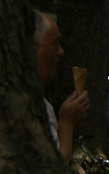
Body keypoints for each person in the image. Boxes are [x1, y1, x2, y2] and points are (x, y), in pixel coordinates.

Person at [34, 10, 88, 161]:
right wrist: (66, 123)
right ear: (33, 49)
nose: (60, 51)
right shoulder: (34, 107)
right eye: (54, 44)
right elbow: (54, 167)